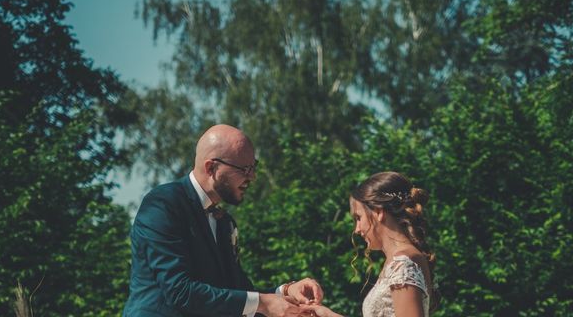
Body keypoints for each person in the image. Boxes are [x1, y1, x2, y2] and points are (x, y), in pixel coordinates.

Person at [123, 124, 322, 316]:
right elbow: (180, 292)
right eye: (244, 169)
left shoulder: (225, 222)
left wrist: (285, 293)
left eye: (254, 167)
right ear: (211, 168)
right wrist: (264, 303)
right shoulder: (163, 205)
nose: (252, 177)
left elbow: (238, 293)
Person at [302, 172, 438, 317]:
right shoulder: (402, 259)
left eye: (358, 218)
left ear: (378, 212)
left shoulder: (404, 263)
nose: (357, 229)